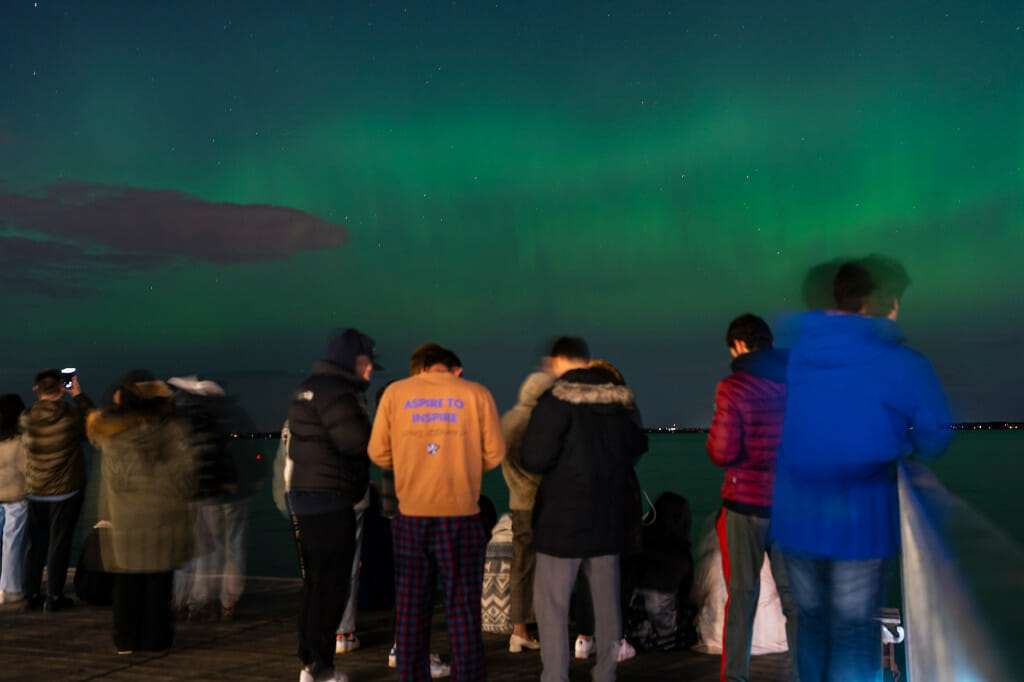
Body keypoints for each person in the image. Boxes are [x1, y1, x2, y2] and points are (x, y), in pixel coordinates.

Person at [772, 255, 953, 682]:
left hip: (796, 520)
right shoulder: (900, 362)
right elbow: (935, 435)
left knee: (812, 627)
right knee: (854, 633)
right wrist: (902, 442)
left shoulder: (798, 356)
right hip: (859, 523)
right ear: (879, 303)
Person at [369, 344, 505, 682]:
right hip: (461, 514)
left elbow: (377, 453)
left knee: (412, 611)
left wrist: (410, 466)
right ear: (455, 369)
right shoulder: (477, 394)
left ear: (423, 369)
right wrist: (465, 467)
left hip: (411, 515)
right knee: (463, 610)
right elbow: (496, 454)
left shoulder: (396, 393)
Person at [521, 337, 648, 682]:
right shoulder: (620, 403)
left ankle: (556, 676)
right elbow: (638, 444)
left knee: (553, 606)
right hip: (610, 519)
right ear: (588, 361)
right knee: (607, 608)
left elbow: (533, 457)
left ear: (559, 361)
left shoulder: (555, 401)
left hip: (562, 522)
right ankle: (605, 674)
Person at [706, 314, 798, 682]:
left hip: (744, 505)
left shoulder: (734, 387)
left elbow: (722, 451)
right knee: (795, 601)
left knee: (741, 598)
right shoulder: (797, 383)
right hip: (791, 505)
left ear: (740, 345)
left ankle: (736, 678)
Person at [286, 328, 379, 682]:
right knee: (332, 586)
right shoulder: (339, 393)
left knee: (314, 584)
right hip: (330, 498)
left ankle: (309, 661)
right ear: (353, 361)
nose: (370, 372)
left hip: (305, 497)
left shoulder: (306, 388)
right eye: (368, 364)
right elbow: (357, 444)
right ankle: (320, 668)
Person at [87, 376, 197, 653]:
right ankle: (156, 639)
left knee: (126, 585)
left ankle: (126, 640)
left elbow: (108, 483)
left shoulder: (112, 434)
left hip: (123, 521)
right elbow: (186, 477)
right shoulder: (172, 431)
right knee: (158, 584)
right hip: (164, 520)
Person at [169, 376, 248, 622]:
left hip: (192, 494)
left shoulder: (185, 420)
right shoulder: (222, 419)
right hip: (214, 494)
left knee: (195, 552)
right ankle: (213, 601)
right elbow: (222, 457)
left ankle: (186, 601)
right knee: (221, 548)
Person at [20, 368, 94, 611]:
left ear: (36, 390)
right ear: (63, 388)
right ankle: (53, 596)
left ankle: (30, 594)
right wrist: (79, 395)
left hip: (35, 489)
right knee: (58, 544)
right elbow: (93, 420)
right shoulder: (71, 418)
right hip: (65, 491)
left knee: (36, 543)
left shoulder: (26, 418)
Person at [500, 370, 553, 653]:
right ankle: (543, 625)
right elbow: (537, 464)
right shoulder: (536, 421)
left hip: (517, 501)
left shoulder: (508, 418)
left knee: (520, 564)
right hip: (540, 502)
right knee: (548, 564)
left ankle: (518, 629)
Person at [0, 394, 28, 604]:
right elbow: (26, 468)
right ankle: (10, 588)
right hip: (16, 494)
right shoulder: (20, 439)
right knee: (13, 542)